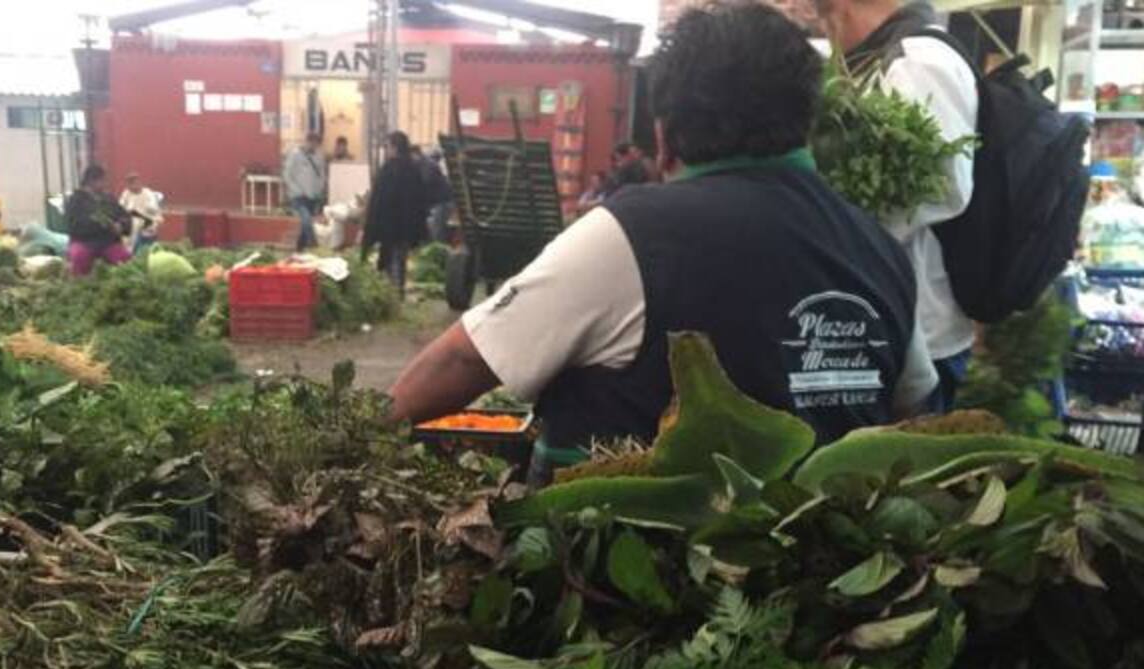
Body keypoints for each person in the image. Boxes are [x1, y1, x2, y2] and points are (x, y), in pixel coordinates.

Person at [388, 3, 937, 482]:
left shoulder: (630, 234)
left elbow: (463, 358)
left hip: (624, 583)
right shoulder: (879, 247)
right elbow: (911, 407)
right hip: (822, 583)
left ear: (665, 133)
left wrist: (355, 435)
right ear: (807, 120)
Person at [817, 0, 979, 411]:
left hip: (923, 325)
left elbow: (942, 187)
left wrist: (841, 223)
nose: (832, 41)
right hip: (894, 316)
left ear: (842, 10)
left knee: (905, 464)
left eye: (826, 22)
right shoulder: (892, 57)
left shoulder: (919, 60)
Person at [363, 132, 430, 298]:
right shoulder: (413, 169)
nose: (387, 150)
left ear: (394, 147)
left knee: (388, 258)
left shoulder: (388, 169)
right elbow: (421, 198)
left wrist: (370, 228)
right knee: (400, 258)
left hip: (389, 225)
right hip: (406, 226)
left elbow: (379, 200)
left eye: (388, 146)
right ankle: (398, 291)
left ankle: (390, 293)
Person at [65, 164, 132, 277]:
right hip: (83, 242)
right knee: (79, 256)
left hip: (108, 242)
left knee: (124, 258)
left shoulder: (108, 198)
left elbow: (124, 215)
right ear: (91, 181)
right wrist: (103, 225)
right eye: (102, 180)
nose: (105, 184)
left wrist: (121, 225)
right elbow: (73, 225)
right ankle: (79, 285)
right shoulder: (76, 199)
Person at [283, 132, 327, 252]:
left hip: (313, 196)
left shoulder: (319, 156)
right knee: (307, 221)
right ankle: (315, 247)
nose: (314, 146)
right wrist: (297, 190)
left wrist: (320, 190)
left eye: (317, 144)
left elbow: (322, 175)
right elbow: (287, 175)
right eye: (312, 143)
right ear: (307, 141)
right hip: (298, 196)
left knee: (305, 224)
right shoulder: (295, 155)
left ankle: (299, 249)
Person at [414, 147, 453, 243]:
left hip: (441, 202)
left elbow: (425, 183)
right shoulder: (423, 164)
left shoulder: (427, 165)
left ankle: (439, 253)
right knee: (434, 230)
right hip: (437, 203)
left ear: (416, 154)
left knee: (437, 232)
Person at [118, 172, 163, 256]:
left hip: (147, 220)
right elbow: (121, 207)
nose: (132, 186)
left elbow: (153, 210)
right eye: (129, 183)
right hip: (130, 221)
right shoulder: (126, 193)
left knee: (139, 228)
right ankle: (127, 253)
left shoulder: (148, 193)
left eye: (134, 183)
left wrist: (138, 213)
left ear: (139, 183)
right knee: (126, 229)